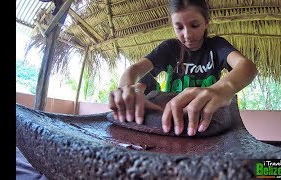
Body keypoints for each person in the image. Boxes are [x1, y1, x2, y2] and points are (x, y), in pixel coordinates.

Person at [109, 0, 258, 136]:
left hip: (206, 124)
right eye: (179, 27)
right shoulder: (169, 48)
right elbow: (134, 69)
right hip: (171, 123)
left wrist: (222, 88)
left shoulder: (217, 46)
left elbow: (247, 66)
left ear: (206, 22)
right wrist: (127, 89)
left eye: (194, 25)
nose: (187, 35)